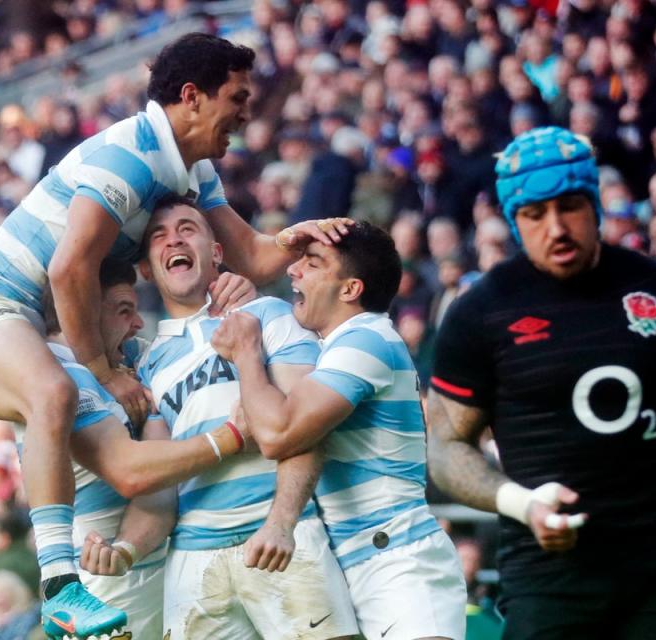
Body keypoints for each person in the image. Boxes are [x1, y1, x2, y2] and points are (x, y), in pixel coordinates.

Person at [0, 32, 349, 639]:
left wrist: (301, 237)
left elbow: (251, 254)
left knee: (67, 401)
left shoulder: (191, 169)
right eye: (237, 97)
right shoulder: (131, 155)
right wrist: (103, 370)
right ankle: (62, 587)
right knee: (53, 394)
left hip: (35, 331)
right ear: (192, 98)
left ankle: (82, 582)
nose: (247, 113)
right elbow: (69, 268)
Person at [425, 126, 656, 640]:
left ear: (595, 203)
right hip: (546, 579)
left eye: (570, 206)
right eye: (535, 215)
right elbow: (445, 446)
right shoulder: (480, 312)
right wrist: (521, 503)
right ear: (514, 220)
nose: (556, 227)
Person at [89, 198, 359, 639]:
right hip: (195, 563)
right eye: (159, 235)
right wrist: (125, 550)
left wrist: (282, 522)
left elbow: (309, 426)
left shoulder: (270, 314)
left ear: (216, 253)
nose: (173, 238)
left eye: (187, 229)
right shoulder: (149, 365)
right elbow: (160, 488)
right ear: (145, 270)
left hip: (279, 539)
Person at [211, 221, 467, 640]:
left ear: (350, 289)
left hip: (400, 563)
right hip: (359, 558)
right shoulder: (341, 346)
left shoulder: (365, 341)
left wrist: (246, 353)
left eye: (312, 264)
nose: (293, 271)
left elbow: (279, 434)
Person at [41, 256, 257, 639]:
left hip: (145, 568)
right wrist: (231, 438)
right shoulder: (58, 377)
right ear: (83, 312)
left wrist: (240, 298)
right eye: (124, 310)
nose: (137, 324)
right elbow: (133, 474)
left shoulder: (122, 364)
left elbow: (160, 492)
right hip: (102, 588)